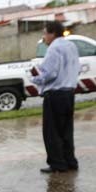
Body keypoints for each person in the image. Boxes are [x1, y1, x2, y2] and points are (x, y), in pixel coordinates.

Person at [31, 20, 81, 173]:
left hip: (55, 94)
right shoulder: (71, 46)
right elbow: (76, 68)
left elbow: (49, 74)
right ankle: (70, 161)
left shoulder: (54, 49)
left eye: (45, 33)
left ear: (52, 33)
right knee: (66, 130)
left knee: (52, 132)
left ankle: (58, 164)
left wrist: (34, 78)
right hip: (69, 92)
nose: (43, 36)